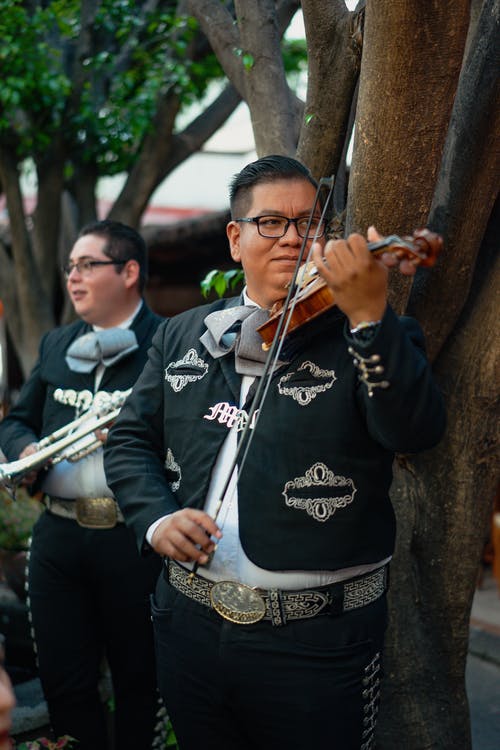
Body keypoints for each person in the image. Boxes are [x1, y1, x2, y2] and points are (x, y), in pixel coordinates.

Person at [103, 156, 446, 750]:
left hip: (319, 644)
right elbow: (131, 440)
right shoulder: (182, 333)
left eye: (308, 223)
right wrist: (157, 519)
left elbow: (412, 432)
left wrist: (368, 315)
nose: (292, 235)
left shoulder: (370, 335)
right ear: (235, 239)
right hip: (188, 626)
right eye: (270, 222)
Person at [0, 220, 164, 750]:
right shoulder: (57, 344)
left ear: (129, 272)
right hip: (60, 537)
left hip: (133, 539)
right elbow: (16, 419)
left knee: (141, 678)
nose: (73, 277)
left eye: (87, 265)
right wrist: (25, 449)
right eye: (70, 266)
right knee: (64, 682)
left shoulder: (166, 341)